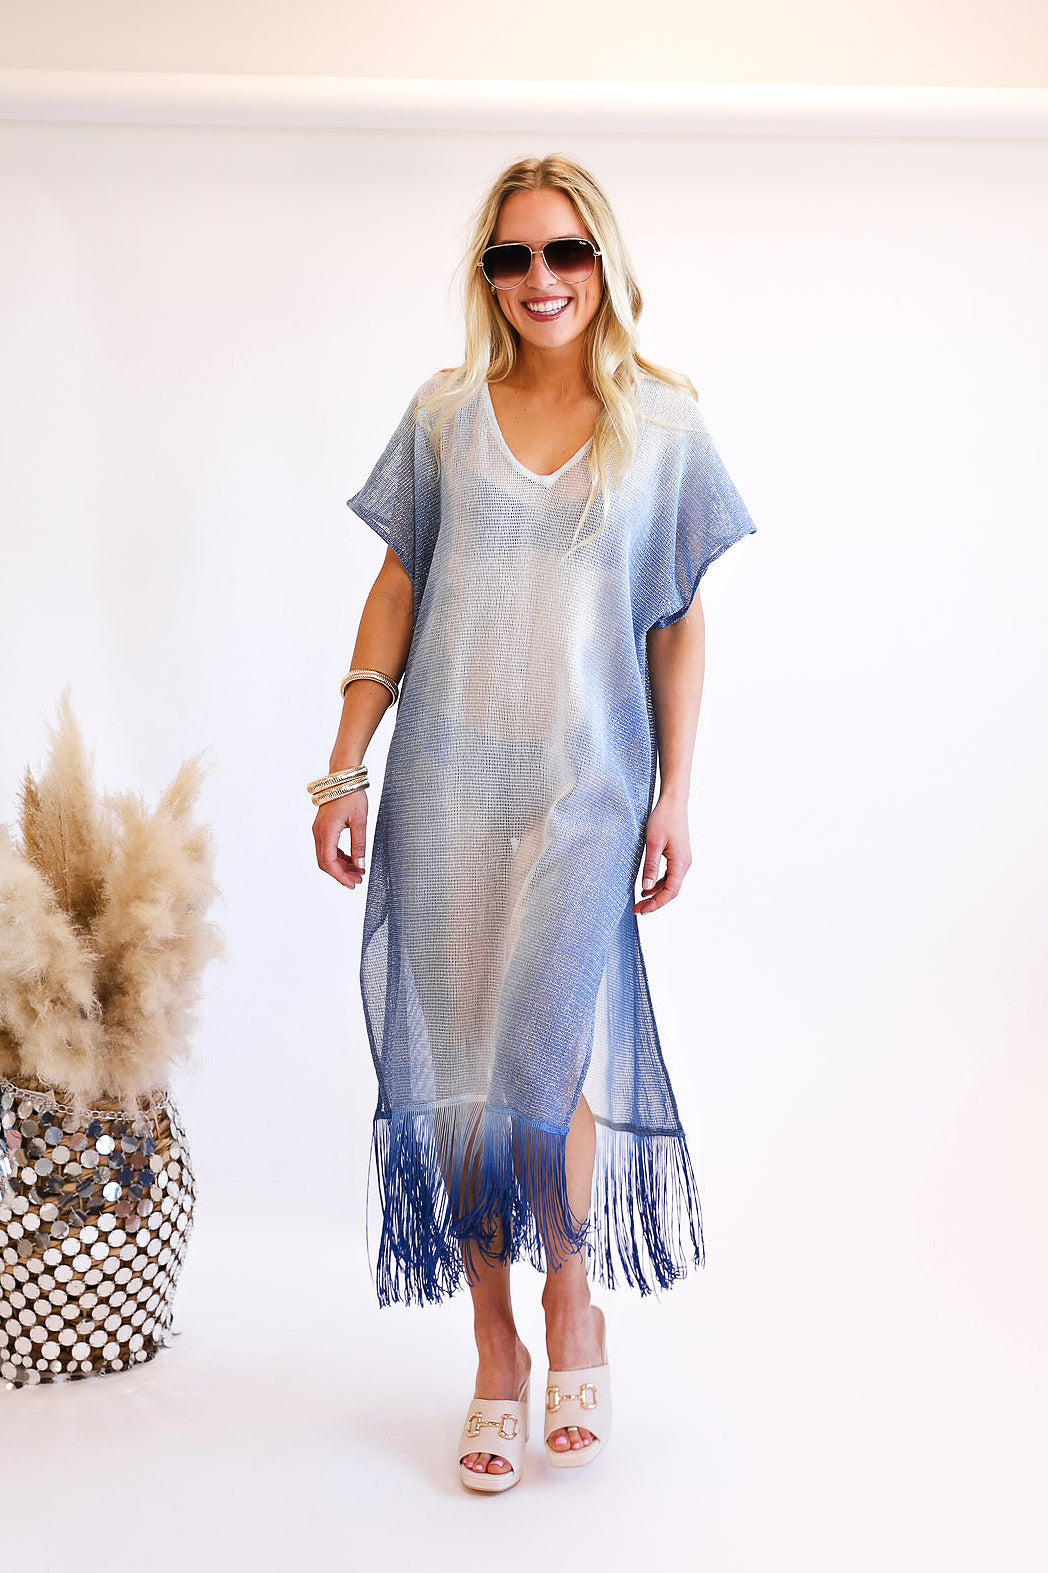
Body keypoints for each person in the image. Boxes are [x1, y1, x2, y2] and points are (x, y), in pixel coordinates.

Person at [311, 154, 757, 1492]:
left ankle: (573, 1303)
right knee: (459, 1072)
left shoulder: (664, 425)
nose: (540, 279)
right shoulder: (446, 416)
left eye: (565, 252)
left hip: (589, 790)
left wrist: (676, 792)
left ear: (603, 262)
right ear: (488, 277)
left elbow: (677, 622)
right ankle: (494, 1344)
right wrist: (344, 765)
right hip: (450, 782)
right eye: (512, 257)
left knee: (545, 1060)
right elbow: (398, 584)